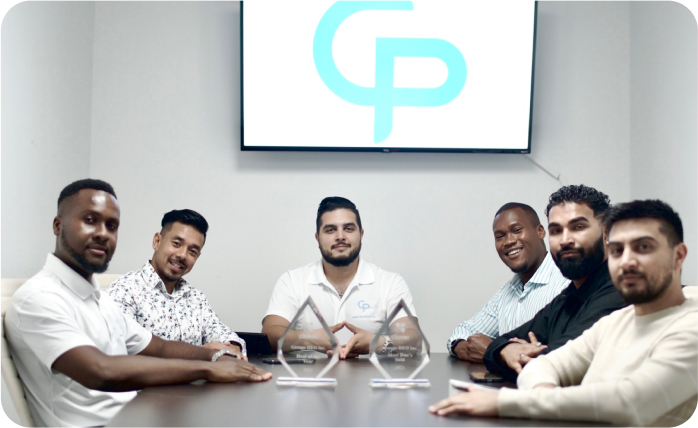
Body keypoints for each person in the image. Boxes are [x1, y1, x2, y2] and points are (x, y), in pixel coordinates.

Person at [5, 179, 271, 427]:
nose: (103, 234)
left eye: (112, 226)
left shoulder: (98, 300)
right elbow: (101, 371)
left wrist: (217, 355)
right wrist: (208, 368)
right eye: (90, 220)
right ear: (58, 225)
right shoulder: (38, 298)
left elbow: (160, 347)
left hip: (142, 413)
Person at [430, 199, 697, 426]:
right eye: (617, 250)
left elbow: (628, 402)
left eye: (643, 247)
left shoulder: (691, 323)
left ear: (678, 256)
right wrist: (540, 389)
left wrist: (504, 402)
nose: (626, 261)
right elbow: (544, 365)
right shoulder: (620, 321)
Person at [482, 185, 627, 382]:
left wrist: (521, 354)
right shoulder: (568, 297)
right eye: (556, 230)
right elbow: (496, 345)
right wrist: (506, 350)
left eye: (578, 227)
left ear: (607, 233)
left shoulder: (621, 290)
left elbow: (556, 363)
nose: (565, 240)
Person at [262, 196, 418, 359]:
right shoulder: (292, 281)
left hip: (372, 374)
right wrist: (311, 339)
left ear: (361, 234)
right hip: (310, 374)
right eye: (330, 230)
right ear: (317, 238)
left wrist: (377, 343)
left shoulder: (391, 283)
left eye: (349, 229)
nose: (340, 236)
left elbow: (414, 339)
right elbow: (270, 334)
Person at [107, 209, 246, 359]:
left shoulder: (195, 298)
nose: (182, 255)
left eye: (192, 251)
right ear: (157, 241)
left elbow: (221, 332)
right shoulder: (125, 290)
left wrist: (233, 347)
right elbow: (121, 353)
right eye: (176, 244)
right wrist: (200, 353)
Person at [448, 203, 568, 363]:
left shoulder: (566, 283)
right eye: (500, 236)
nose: (509, 241)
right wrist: (469, 349)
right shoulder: (506, 294)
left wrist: (494, 351)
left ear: (540, 231)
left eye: (517, 230)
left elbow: (567, 354)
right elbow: (462, 332)